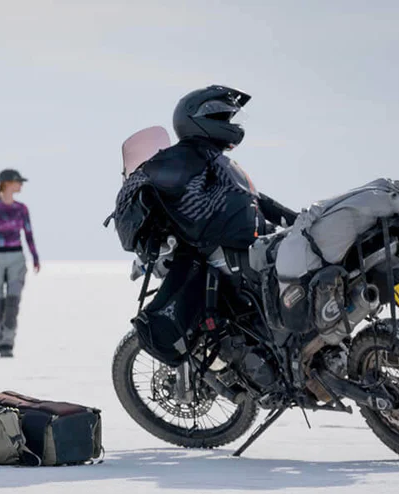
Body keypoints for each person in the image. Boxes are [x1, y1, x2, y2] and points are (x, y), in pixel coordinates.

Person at [113, 85, 298, 363]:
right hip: (244, 247)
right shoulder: (191, 156)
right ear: (201, 120)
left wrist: (297, 221)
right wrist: (297, 221)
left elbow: (256, 199)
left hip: (240, 246)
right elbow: (258, 201)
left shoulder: (203, 156)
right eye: (223, 118)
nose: (230, 124)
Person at [0, 169, 40, 357]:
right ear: (6, 184)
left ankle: (7, 342)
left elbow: (28, 233)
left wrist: (35, 256)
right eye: (17, 181)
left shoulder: (22, 209)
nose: (21, 185)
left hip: (16, 258)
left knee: (13, 302)